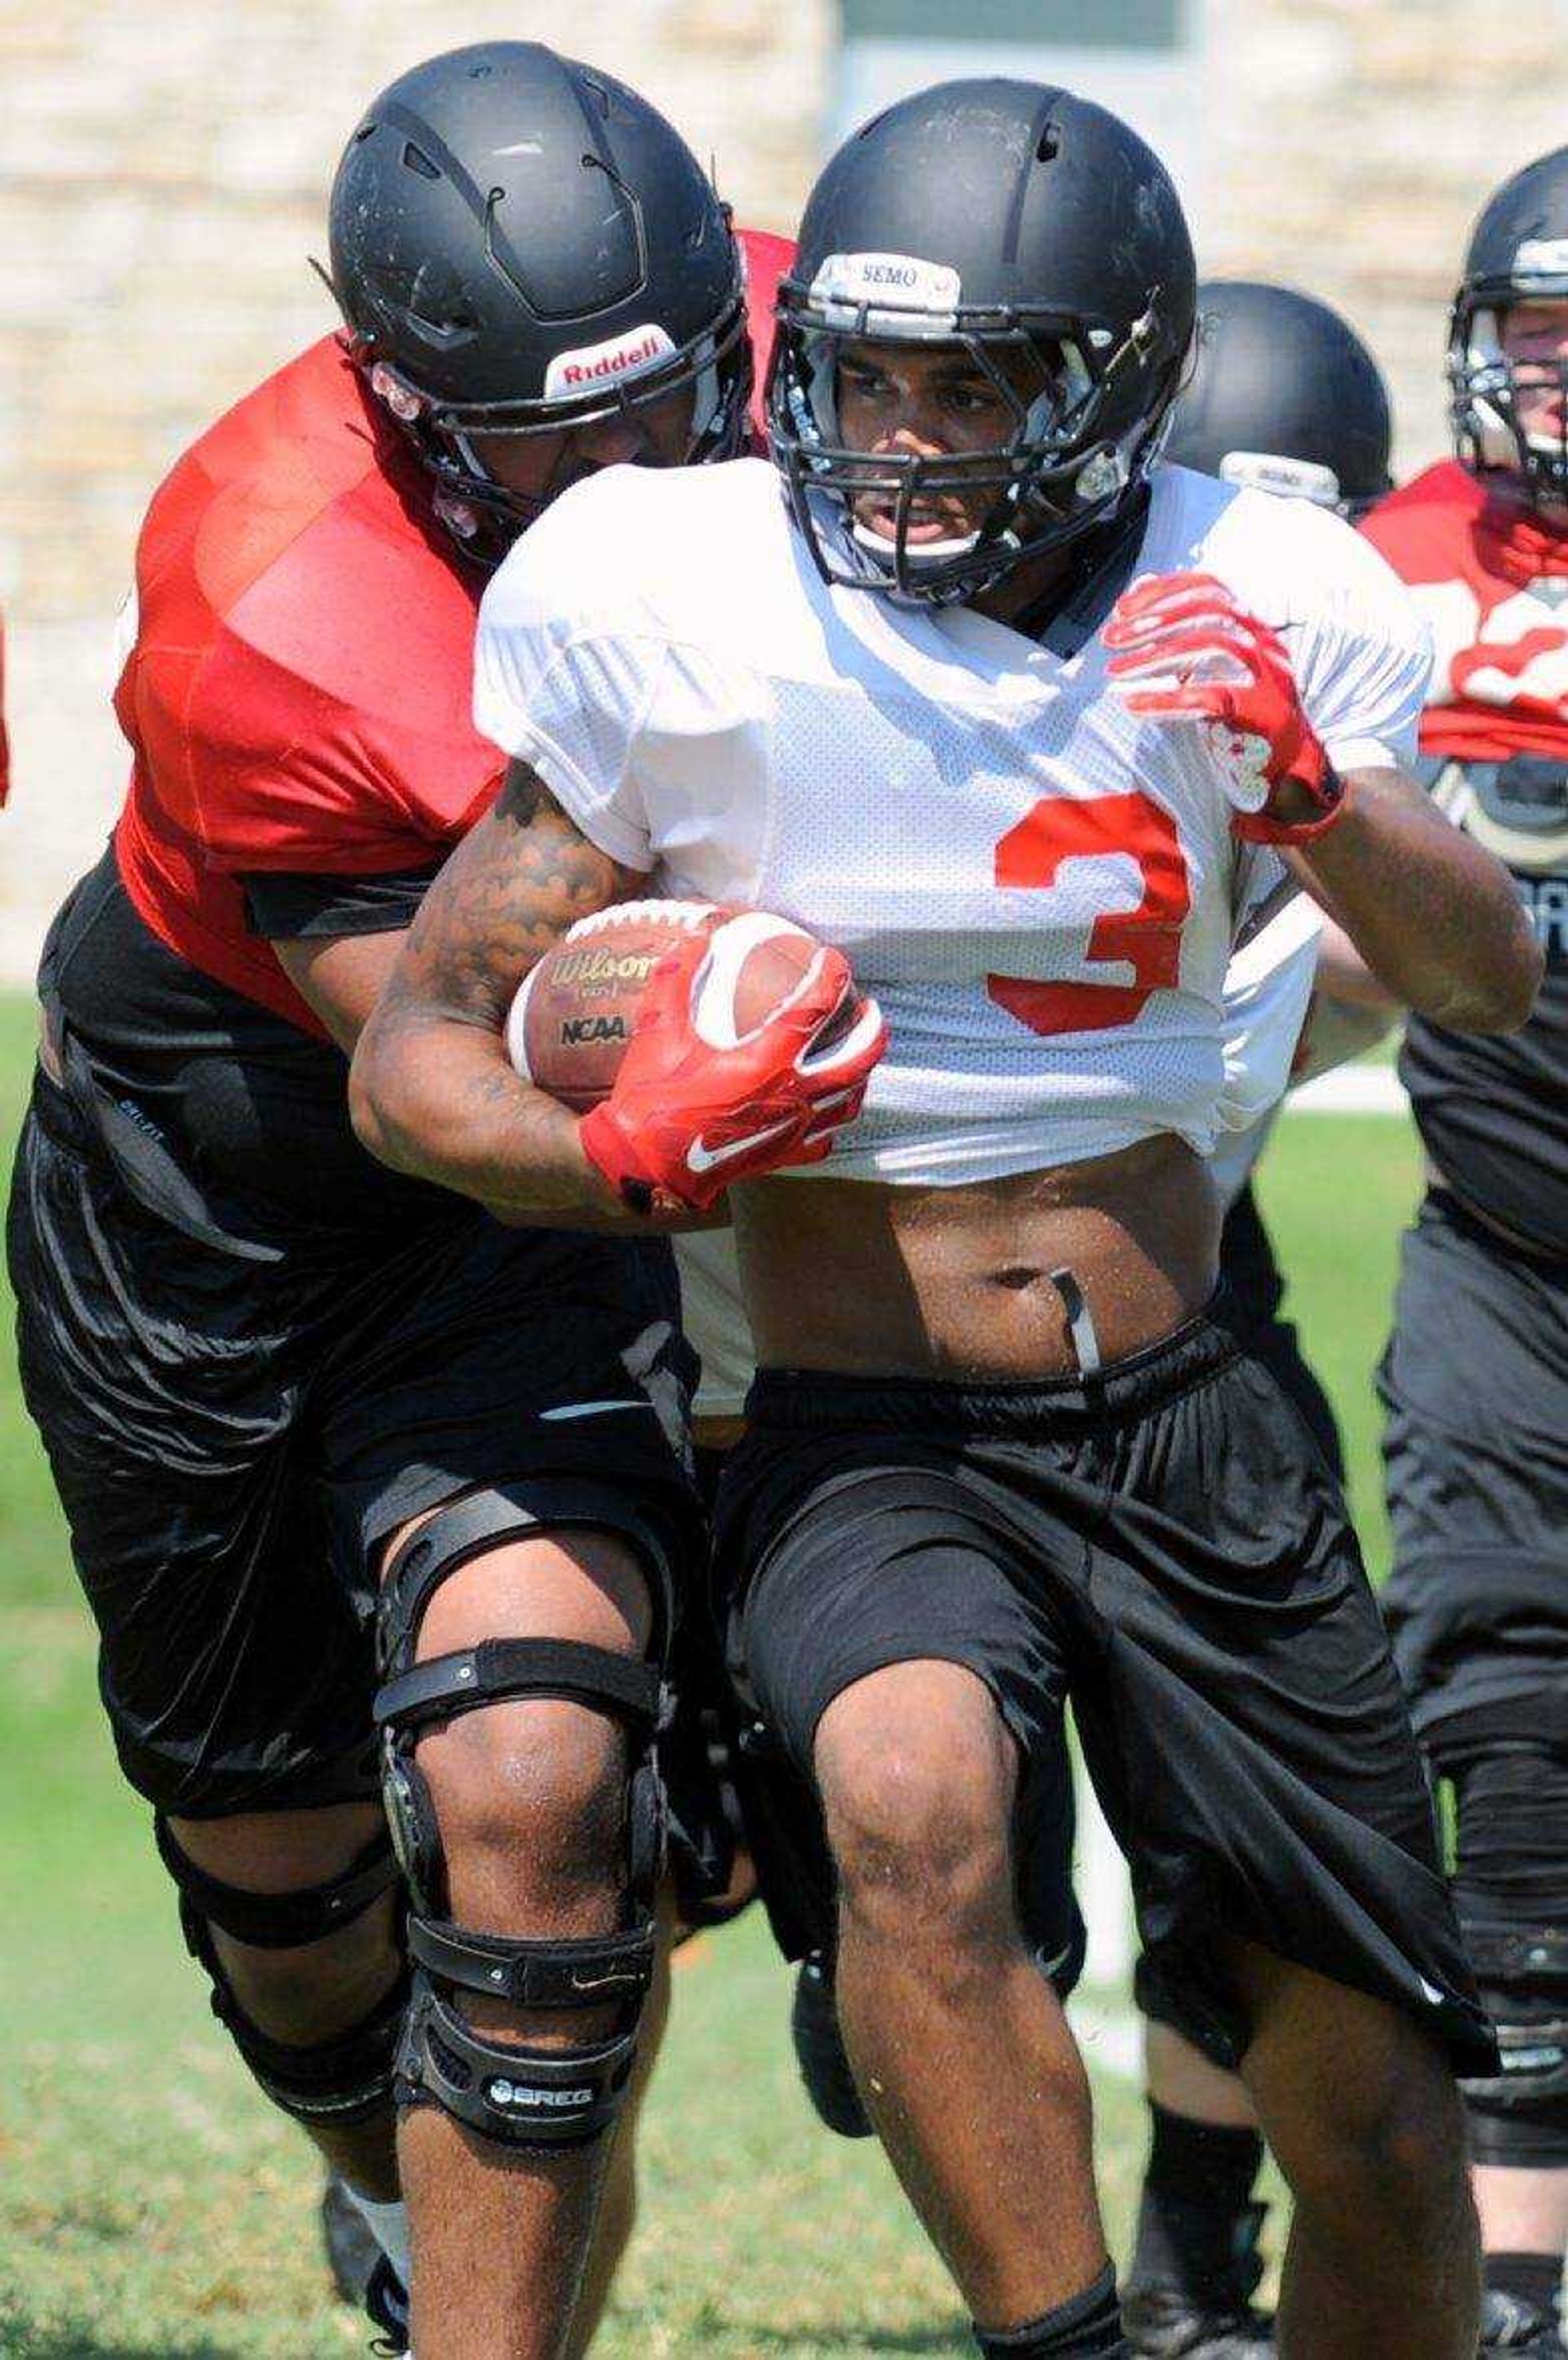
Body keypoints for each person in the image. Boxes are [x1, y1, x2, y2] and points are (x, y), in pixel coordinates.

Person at [351, 78, 1539, 2359]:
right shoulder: (672, 599)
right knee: (908, 1781)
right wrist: (603, 1159)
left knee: (1373, 2106)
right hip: (852, 1420)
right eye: (864, 377)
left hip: (1189, 1410)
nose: (903, 436)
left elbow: (1483, 969)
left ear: (1113, 386)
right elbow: (416, 1054)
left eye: (970, 385)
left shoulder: (1264, 590)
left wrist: (1312, 793)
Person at [4, 41, 798, 2360]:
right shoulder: (273, 593)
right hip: (244, 1162)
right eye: (551, 447)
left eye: (674, 414)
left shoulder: (799, 330)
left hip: (538, 1223)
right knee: (280, 1880)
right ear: (410, 408)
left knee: (539, 1778)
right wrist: (687, 1111)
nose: (637, 481)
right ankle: (389, 2172)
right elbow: (454, 1077)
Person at [1347, 146, 1568, 2356]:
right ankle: (1520, 2279)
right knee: (1508, 1740)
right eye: (1538, 335)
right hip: (1511, 1243)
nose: (1564, 383)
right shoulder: (1400, 566)